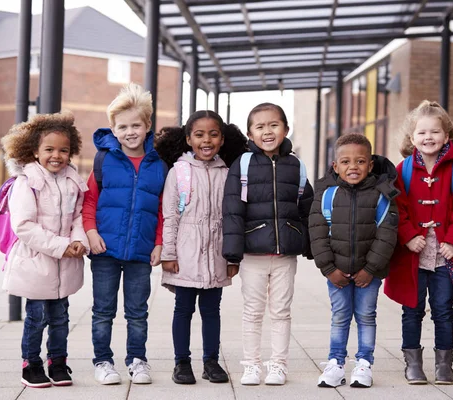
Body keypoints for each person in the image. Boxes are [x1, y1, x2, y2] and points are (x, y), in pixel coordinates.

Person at [384, 100, 453, 385]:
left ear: (447, 136)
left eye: (435, 132)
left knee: (443, 309)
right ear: (412, 138)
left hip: (445, 255)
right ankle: (413, 363)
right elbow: (398, 208)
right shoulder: (403, 170)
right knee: (411, 310)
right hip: (414, 253)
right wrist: (409, 235)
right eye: (422, 133)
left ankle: (444, 364)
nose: (428, 138)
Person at [222, 102, 314, 386]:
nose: (267, 131)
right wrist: (233, 255)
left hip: (285, 252)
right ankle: (251, 365)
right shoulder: (244, 164)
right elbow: (232, 209)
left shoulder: (295, 165)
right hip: (252, 252)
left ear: (286, 129)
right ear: (250, 134)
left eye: (273, 125)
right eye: (260, 127)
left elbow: (307, 206)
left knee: (281, 311)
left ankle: (278, 365)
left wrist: (310, 245)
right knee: (252, 311)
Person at [82, 83, 167, 385]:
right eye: (122, 127)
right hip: (104, 249)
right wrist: (91, 232)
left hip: (141, 251)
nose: (130, 131)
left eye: (135, 125)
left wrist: (158, 243)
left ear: (147, 126)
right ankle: (103, 361)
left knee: (137, 312)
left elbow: (161, 208)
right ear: (113, 130)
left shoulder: (159, 165)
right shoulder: (104, 159)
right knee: (103, 310)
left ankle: (137, 360)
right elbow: (89, 200)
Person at [154, 110, 247, 385]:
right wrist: (169, 254)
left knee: (211, 310)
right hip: (185, 254)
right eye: (199, 134)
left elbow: (232, 219)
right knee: (182, 309)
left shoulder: (228, 173)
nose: (206, 140)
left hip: (216, 254)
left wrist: (232, 256)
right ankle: (181, 362)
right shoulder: (179, 172)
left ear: (221, 139)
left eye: (213, 134)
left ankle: (211, 361)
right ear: (188, 139)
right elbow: (170, 216)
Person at [0, 112, 88, 388]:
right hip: (36, 264)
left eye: (63, 150)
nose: (56, 156)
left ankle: (58, 362)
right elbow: (24, 226)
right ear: (35, 151)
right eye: (49, 149)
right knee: (36, 319)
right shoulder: (27, 182)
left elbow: (77, 216)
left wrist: (78, 241)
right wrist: (63, 246)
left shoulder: (72, 180)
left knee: (61, 318)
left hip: (65, 265)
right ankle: (32, 364)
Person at [308, 133, 399, 388]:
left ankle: (364, 364)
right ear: (335, 166)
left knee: (366, 316)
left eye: (360, 162)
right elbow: (317, 232)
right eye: (346, 162)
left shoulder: (383, 196)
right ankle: (336, 363)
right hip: (336, 272)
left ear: (370, 165)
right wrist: (328, 268)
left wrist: (370, 269)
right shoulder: (326, 195)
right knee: (340, 316)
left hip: (368, 274)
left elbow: (387, 234)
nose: (353, 167)